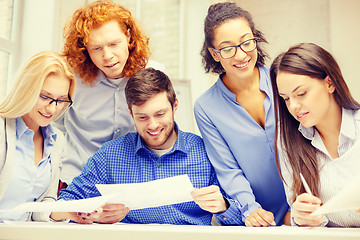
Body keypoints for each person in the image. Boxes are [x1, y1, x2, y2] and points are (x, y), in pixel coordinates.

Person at [51, 68, 243, 225]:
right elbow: (64, 204)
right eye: (142, 117)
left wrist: (223, 206)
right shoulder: (110, 155)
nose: (152, 125)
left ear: (175, 105)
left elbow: (241, 217)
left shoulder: (206, 152)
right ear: (130, 112)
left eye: (160, 114)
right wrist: (91, 215)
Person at [193, 2, 289, 226]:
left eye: (247, 42)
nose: (241, 55)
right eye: (227, 48)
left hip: (305, 206)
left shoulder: (281, 81)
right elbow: (228, 169)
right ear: (214, 54)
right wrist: (250, 209)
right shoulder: (206, 107)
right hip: (254, 215)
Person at [54, 0, 164, 186]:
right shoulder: (70, 78)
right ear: (85, 48)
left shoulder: (154, 74)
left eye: (114, 44)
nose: (107, 56)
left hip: (133, 181)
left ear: (128, 36)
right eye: (96, 48)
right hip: (77, 179)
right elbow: (54, 126)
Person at [270, 42, 360, 227]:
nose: (293, 106)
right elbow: (298, 209)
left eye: (301, 93)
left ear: (330, 83)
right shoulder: (287, 139)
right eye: (286, 98)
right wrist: (301, 217)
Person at [0, 51, 75, 222]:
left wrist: (67, 212)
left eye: (61, 100)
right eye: (44, 96)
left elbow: (42, 203)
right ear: (26, 89)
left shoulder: (56, 139)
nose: (53, 109)